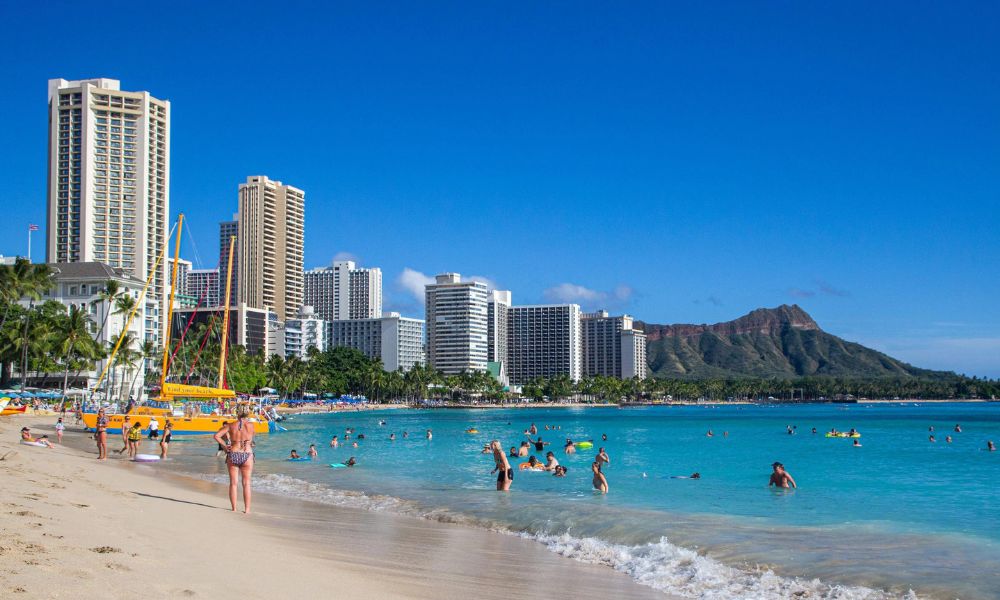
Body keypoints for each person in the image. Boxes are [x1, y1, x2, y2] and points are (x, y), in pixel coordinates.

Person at [213, 406, 256, 513]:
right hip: (247, 454)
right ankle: (247, 510)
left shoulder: (231, 425)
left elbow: (217, 436)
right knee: (246, 483)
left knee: (233, 483)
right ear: (248, 414)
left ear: (237, 413)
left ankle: (234, 509)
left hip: (233, 453)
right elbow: (251, 439)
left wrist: (225, 446)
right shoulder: (251, 425)